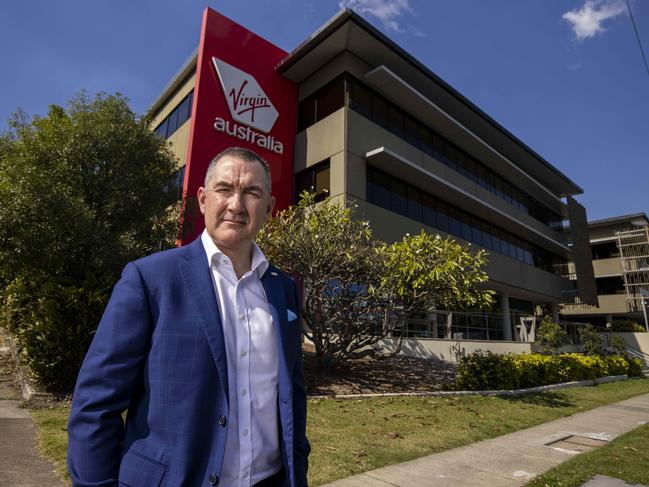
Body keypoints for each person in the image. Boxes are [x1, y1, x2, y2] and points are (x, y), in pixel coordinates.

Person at [67, 147, 310, 487]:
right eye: (224, 189)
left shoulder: (283, 289)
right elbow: (96, 406)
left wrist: (298, 469)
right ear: (203, 199)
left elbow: (292, 394)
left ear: (268, 208)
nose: (236, 205)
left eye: (252, 193)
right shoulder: (150, 279)